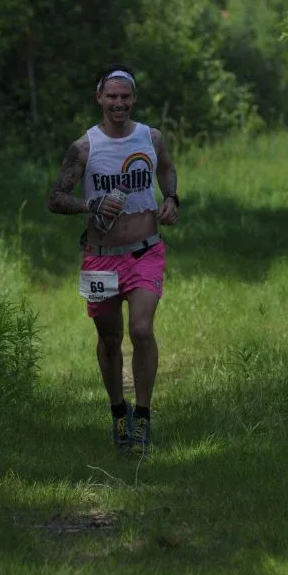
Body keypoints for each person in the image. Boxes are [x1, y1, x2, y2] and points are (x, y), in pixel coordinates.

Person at [47, 65, 179, 455]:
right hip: (101, 258)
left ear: (133, 99)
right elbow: (55, 198)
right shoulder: (84, 147)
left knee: (141, 329)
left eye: (125, 97)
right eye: (112, 97)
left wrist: (171, 199)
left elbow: (168, 169)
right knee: (109, 339)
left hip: (145, 251)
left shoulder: (150, 138)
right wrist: (92, 203)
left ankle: (143, 417)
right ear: (100, 99)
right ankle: (117, 412)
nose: (118, 103)